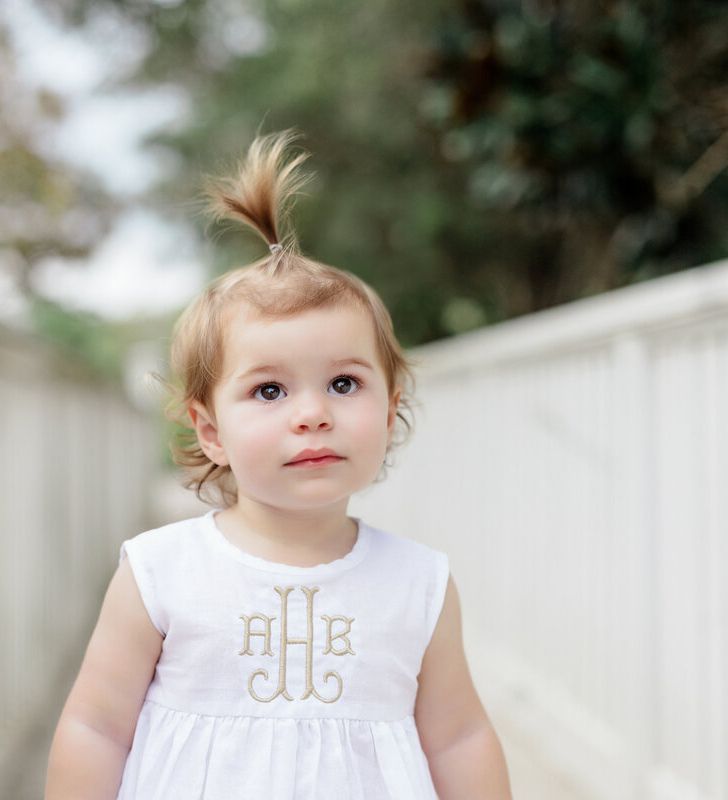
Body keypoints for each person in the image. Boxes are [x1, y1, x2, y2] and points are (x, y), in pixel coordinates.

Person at [45, 131, 513, 800]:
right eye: (270, 390)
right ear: (210, 431)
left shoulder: (420, 585)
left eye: (344, 384)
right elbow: (95, 726)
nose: (312, 413)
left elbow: (459, 736)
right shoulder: (159, 574)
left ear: (389, 410)